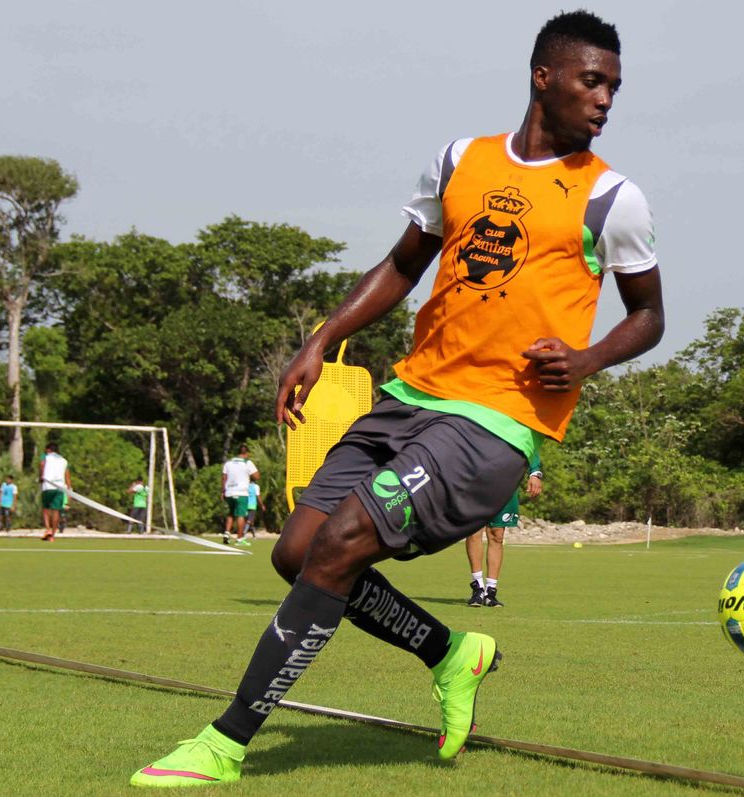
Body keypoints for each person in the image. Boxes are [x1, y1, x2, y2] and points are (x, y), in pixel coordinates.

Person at [132, 10, 663, 787]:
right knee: (296, 552)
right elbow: (403, 264)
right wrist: (321, 338)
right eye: (592, 81)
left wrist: (586, 359)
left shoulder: (612, 198)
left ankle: (225, 741)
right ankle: (451, 652)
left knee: (343, 541)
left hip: (494, 424)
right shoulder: (460, 160)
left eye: (614, 86)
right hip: (411, 394)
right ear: (543, 77)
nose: (606, 99)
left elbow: (649, 316)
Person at [467, 456, 543, 608]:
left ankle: (490, 591)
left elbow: (530, 446)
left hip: (505, 481)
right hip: (477, 479)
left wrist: (535, 473)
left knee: (497, 535)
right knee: (474, 530)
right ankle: (478, 588)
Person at [221, 444, 259, 547]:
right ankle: (240, 539)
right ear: (247, 453)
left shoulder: (228, 463)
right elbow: (257, 476)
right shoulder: (247, 462)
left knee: (231, 513)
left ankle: (227, 533)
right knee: (241, 515)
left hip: (229, 492)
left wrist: (223, 491)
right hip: (241, 492)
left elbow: (224, 477)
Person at [38, 442, 71, 541]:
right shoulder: (64, 460)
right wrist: (69, 490)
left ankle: (48, 529)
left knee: (46, 508)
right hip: (60, 487)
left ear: (48, 449)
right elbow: (67, 476)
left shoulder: (46, 457)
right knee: (56, 510)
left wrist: (41, 476)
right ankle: (52, 535)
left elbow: (42, 464)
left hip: (48, 486)